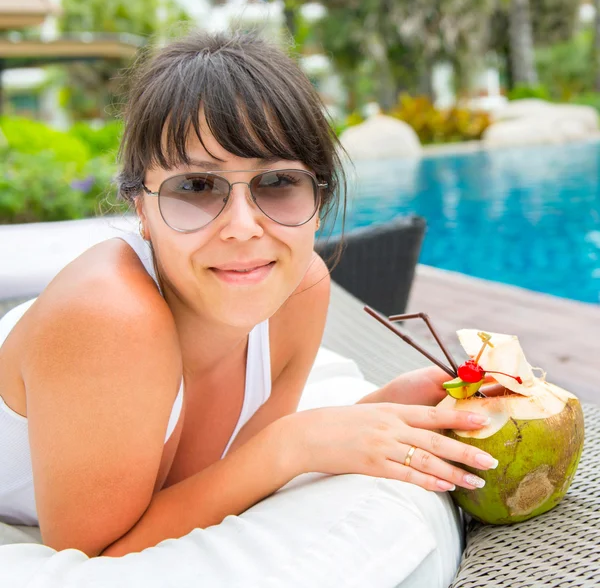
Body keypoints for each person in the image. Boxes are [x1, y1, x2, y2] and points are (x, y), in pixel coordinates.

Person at [0, 30, 496, 570]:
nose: (242, 227)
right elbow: (97, 559)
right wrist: (291, 444)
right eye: (195, 187)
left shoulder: (300, 288)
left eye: (278, 182)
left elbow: (227, 477)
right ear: (140, 209)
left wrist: (372, 411)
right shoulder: (109, 318)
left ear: (320, 199)